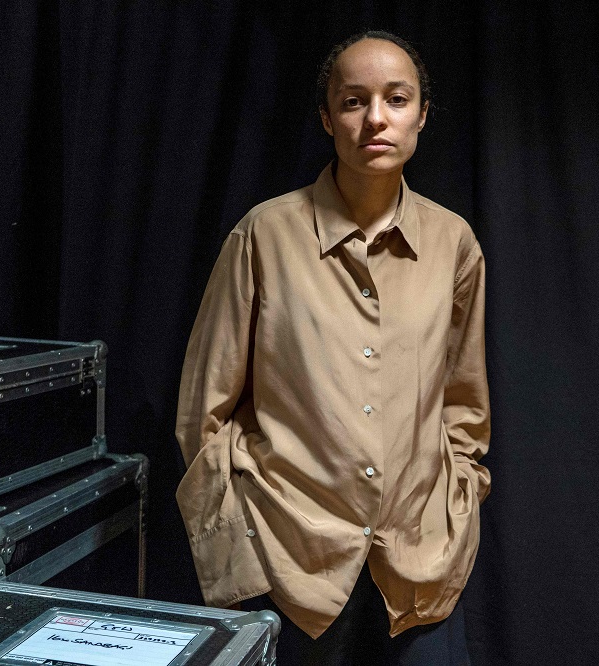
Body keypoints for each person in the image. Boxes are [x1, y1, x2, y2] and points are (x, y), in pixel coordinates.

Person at [175, 30, 490, 665]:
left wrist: (460, 499)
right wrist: (238, 547)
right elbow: (202, 414)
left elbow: (465, 403)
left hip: (418, 560)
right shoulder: (263, 235)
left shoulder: (454, 243)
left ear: (421, 114)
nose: (375, 118)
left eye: (396, 99)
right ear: (326, 117)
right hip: (289, 561)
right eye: (353, 100)